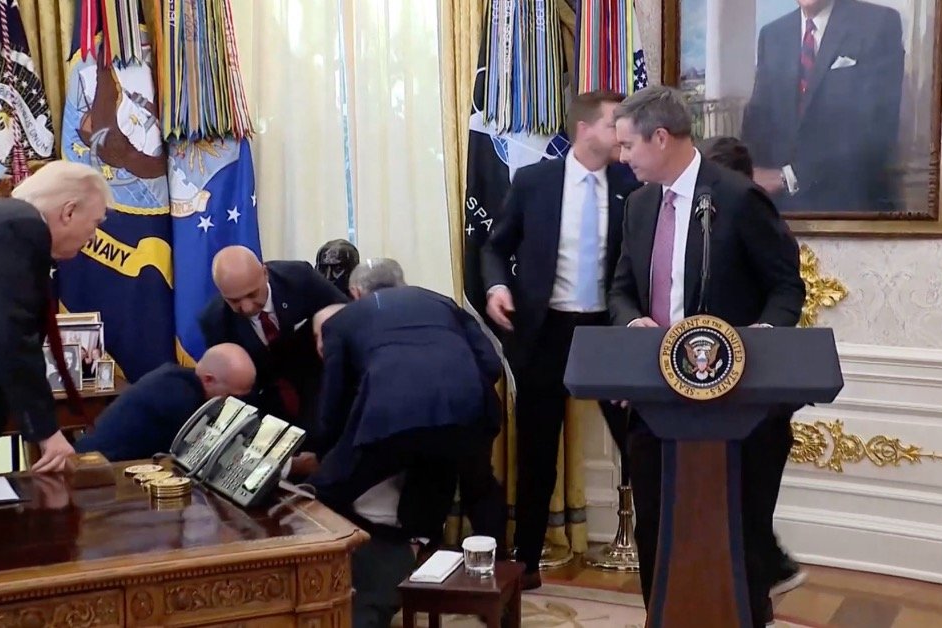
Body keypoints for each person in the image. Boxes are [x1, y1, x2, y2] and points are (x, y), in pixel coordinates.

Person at [608, 85, 805, 627]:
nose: (621, 158)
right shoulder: (641, 204)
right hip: (657, 402)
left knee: (737, 534)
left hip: (738, 406)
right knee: (659, 524)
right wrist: (632, 320)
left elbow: (787, 287)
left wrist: (763, 334)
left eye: (628, 146)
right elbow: (621, 287)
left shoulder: (739, 198)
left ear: (662, 137)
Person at [482, 90, 641, 587]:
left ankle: (665, 556)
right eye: (616, 122)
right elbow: (495, 246)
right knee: (537, 451)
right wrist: (496, 286)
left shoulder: (631, 182)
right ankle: (526, 562)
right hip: (546, 330)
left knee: (640, 443)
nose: (624, 133)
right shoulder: (535, 181)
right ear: (585, 129)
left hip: (608, 331)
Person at [0, 161, 110, 479]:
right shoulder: (16, 229)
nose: (93, 236)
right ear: (68, 212)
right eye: (95, 222)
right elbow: (10, 335)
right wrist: (47, 433)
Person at [305, 259, 506, 542]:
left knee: (324, 491)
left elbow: (334, 400)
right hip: (469, 411)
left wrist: (326, 453)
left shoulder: (341, 321)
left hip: (389, 417)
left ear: (355, 292)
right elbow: (491, 364)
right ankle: (496, 571)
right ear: (403, 282)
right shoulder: (443, 303)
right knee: (478, 487)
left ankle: (346, 568)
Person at [700, 135, 807, 596]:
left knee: (750, 509)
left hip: (759, 391)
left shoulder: (755, 213)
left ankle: (759, 589)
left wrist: (763, 331)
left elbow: (788, 290)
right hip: (701, 390)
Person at [741, 0, 904, 213]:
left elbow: (873, 127)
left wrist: (788, 176)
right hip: (781, 214)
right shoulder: (772, 35)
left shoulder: (879, 24)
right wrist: (740, 172)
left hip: (852, 209)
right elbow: (758, 118)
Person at [198, 245, 347, 439]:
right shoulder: (215, 321)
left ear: (265, 273)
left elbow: (346, 318)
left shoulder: (300, 278)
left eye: (252, 294)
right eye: (234, 300)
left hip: (322, 383)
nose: (247, 306)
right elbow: (234, 390)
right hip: (268, 403)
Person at [74, 343, 256, 461]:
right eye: (232, 397)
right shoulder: (180, 398)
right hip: (97, 472)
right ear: (209, 380)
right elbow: (201, 456)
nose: (235, 405)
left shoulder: (175, 378)